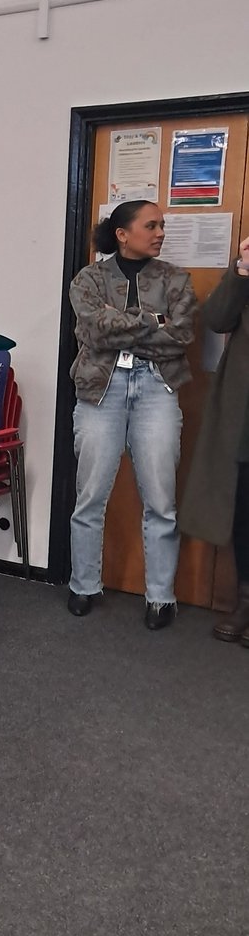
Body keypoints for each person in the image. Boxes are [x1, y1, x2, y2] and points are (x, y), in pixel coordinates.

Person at [67, 199, 197, 629]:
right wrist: (154, 321)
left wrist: (121, 323)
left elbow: (182, 336)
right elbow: (92, 330)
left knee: (161, 499)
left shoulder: (176, 278)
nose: (160, 233)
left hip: (157, 387)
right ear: (122, 234)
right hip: (100, 389)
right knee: (90, 495)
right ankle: (84, 585)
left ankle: (161, 597)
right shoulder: (88, 279)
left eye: (162, 226)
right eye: (151, 225)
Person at [180, 234, 249, 647]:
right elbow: (218, 318)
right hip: (244, 408)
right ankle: (245, 600)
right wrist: (242, 270)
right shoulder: (243, 272)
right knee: (244, 509)